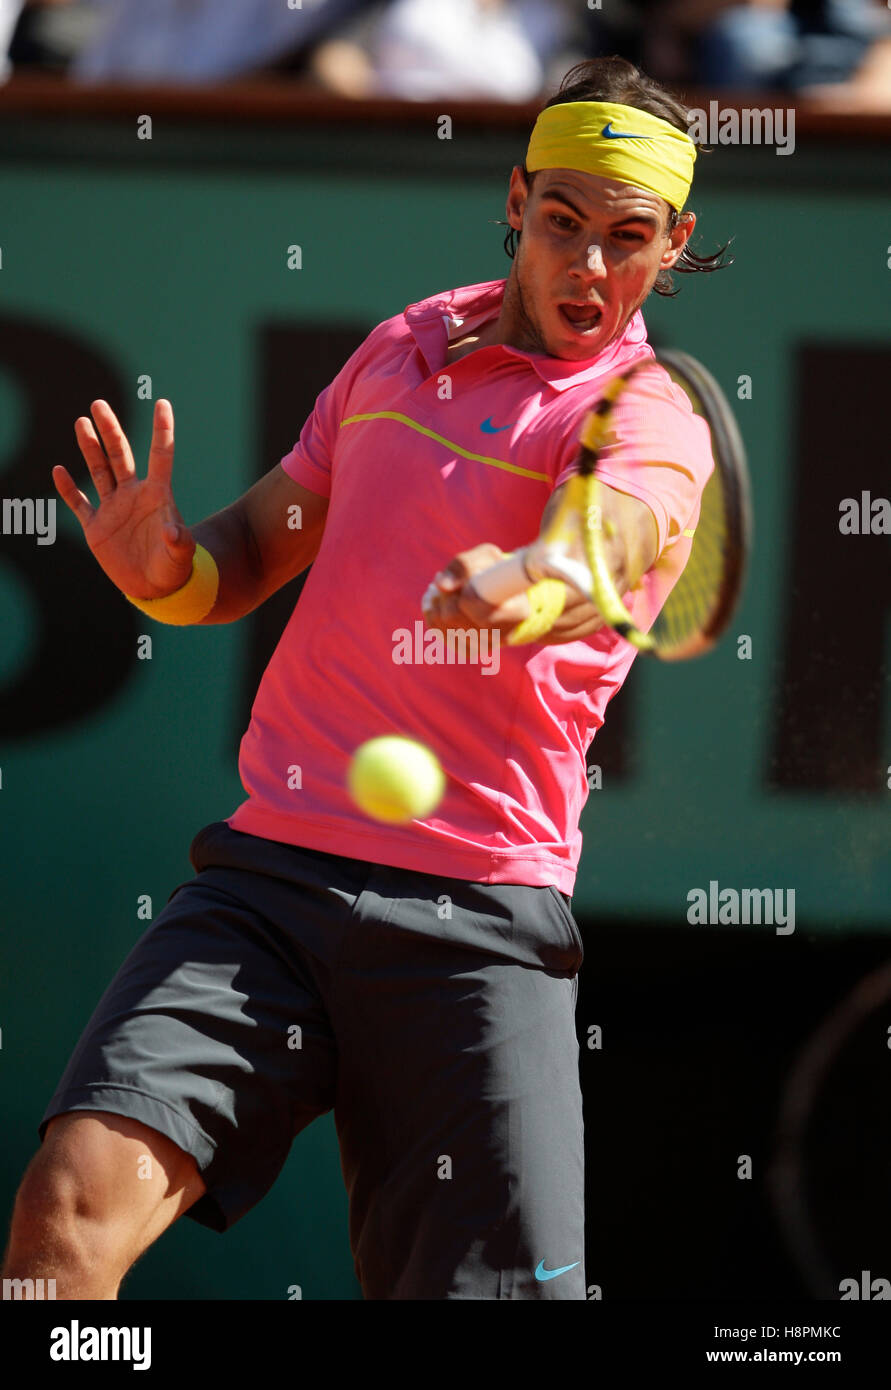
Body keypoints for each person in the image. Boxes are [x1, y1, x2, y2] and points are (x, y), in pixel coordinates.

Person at [1, 56, 728, 1301]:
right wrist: (160, 568)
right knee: (60, 1232)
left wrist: (533, 576)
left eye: (628, 238)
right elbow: (238, 564)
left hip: (476, 929)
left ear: (675, 245)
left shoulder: (650, 416)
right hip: (271, 886)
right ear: (516, 200)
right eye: (563, 224)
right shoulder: (403, 347)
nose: (590, 268)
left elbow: (607, 534)